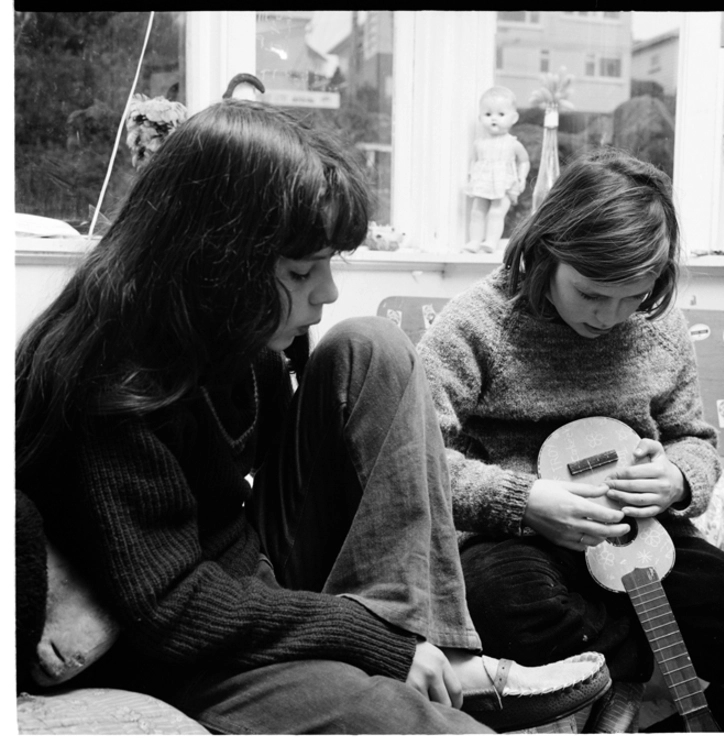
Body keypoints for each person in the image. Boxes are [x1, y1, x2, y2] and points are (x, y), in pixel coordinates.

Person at [14, 99, 610, 736]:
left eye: (328, 264)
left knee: (372, 345)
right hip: (174, 640)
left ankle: (442, 652)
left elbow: (272, 482)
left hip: (248, 568)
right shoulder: (107, 376)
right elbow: (169, 609)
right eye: (302, 271)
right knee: (411, 722)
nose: (325, 291)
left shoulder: (236, 333)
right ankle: (425, 680)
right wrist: (367, 638)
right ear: (212, 260)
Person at [418, 148, 724, 732]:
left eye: (634, 297)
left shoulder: (659, 327)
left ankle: (635, 695)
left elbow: (694, 440)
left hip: (639, 535)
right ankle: (623, 665)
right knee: (505, 611)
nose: (610, 316)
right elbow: (411, 459)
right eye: (592, 294)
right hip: (515, 536)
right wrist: (518, 500)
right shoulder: (475, 324)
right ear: (546, 251)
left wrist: (676, 479)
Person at [464, 86, 530, 254]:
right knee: (477, 212)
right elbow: (474, 161)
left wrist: (522, 178)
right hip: (483, 182)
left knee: (496, 212)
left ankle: (491, 241)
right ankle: (474, 241)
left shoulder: (512, 143)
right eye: (488, 114)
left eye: (501, 114)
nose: (494, 119)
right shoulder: (479, 143)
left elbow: (524, 161)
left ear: (513, 118)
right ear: (480, 117)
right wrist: (472, 177)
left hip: (503, 184)